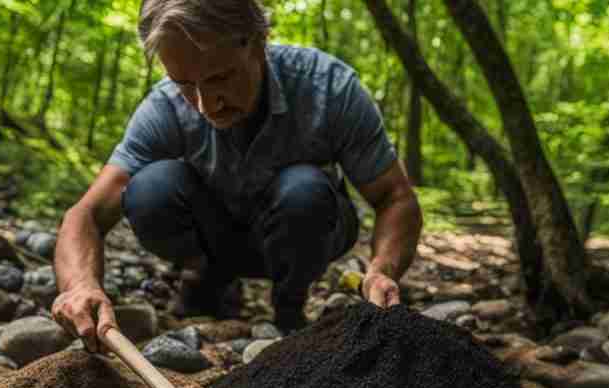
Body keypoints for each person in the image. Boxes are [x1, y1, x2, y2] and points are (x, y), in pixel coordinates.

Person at [53, 0, 422, 353]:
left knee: (304, 190)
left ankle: (290, 303)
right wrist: (80, 285)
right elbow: (85, 215)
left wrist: (382, 270)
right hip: (218, 239)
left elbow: (395, 197)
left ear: (258, 41)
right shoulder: (164, 107)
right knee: (150, 190)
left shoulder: (327, 88)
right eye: (185, 84)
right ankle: (209, 280)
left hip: (305, 231)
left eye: (220, 77)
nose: (205, 104)